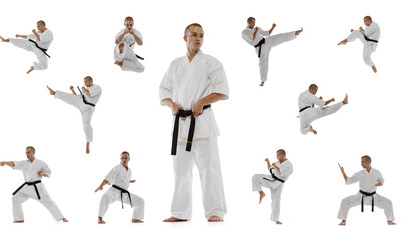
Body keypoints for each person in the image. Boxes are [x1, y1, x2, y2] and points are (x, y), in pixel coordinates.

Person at [159, 23, 229, 222]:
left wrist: (202, 101)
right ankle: (180, 213)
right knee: (180, 171)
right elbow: (163, 90)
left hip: (203, 123)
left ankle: (215, 210)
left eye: (202, 35)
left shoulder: (211, 62)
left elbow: (223, 90)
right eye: (194, 35)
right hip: (181, 124)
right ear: (185, 38)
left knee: (209, 169)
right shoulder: (175, 64)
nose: (198, 38)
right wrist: (171, 103)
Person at [0, 146, 68, 223]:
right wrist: (5, 162)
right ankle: (19, 219)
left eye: (28, 152)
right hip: (26, 187)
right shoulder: (24, 163)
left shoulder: (41, 163)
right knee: (15, 199)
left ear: (33, 152)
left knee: (48, 202)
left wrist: (42, 174)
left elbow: (48, 173)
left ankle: (61, 218)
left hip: (37, 188)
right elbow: (14, 163)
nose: (27, 154)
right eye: (26, 152)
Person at [46, 76, 102, 154]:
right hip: (80, 102)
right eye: (84, 82)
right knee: (71, 97)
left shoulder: (97, 87)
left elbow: (89, 94)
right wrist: (73, 90)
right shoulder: (85, 89)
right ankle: (54, 93)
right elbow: (77, 96)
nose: (85, 84)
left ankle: (88, 143)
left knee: (86, 124)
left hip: (88, 106)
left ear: (90, 81)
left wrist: (84, 89)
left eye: (86, 82)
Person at [241, 17, 303, 86]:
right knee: (263, 64)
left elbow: (267, 33)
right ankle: (263, 81)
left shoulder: (256, 28)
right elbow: (252, 39)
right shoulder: (244, 32)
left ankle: (294, 33)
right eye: (253, 22)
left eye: (255, 22)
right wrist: (256, 31)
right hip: (260, 48)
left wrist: (272, 27)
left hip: (266, 41)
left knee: (278, 37)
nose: (254, 24)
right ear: (248, 22)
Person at [337, 155, 396, 225]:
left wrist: (380, 184)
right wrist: (343, 172)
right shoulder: (359, 173)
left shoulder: (376, 172)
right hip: (360, 197)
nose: (361, 164)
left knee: (388, 202)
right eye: (361, 162)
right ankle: (343, 220)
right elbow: (348, 181)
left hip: (373, 196)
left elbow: (382, 181)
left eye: (362, 162)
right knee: (345, 201)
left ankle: (389, 220)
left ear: (368, 162)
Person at [95, 151, 144, 224]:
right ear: (120, 159)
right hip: (114, 191)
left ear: (129, 159)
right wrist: (101, 185)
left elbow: (122, 179)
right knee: (105, 196)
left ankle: (135, 218)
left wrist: (129, 181)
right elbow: (108, 177)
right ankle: (100, 218)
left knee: (140, 201)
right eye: (122, 158)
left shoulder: (129, 170)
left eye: (126, 158)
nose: (124, 159)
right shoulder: (117, 168)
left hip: (124, 193)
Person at [252, 149, 293, 224]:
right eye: (276, 155)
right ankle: (261, 192)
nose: (277, 157)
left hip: (277, 182)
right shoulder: (277, 162)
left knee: (276, 201)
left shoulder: (289, 164)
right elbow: (270, 169)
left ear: (282, 155)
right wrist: (268, 162)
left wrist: (275, 166)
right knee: (255, 177)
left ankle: (275, 219)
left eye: (278, 155)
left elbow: (281, 172)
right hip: (272, 180)